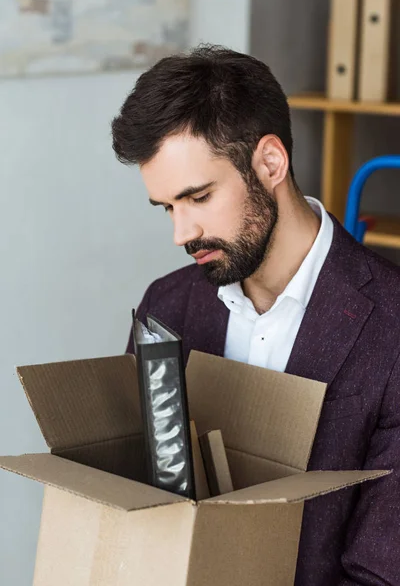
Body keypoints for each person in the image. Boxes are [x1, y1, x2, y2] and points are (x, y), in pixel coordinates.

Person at [111, 44, 400, 586]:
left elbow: (382, 574)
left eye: (198, 197)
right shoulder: (165, 308)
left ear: (270, 162)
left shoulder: (393, 329)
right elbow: (137, 504)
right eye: (168, 207)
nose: (181, 233)